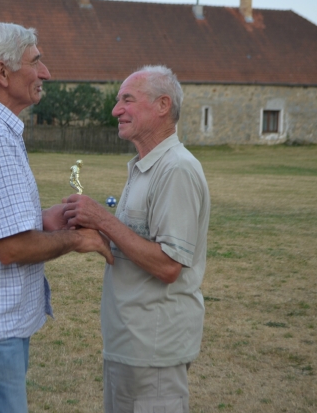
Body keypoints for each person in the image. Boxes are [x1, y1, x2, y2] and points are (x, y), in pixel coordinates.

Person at [0, 22, 113, 413]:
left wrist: (43, 218)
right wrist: (79, 239)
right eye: (35, 62)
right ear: (2, 72)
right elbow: (11, 247)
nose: (46, 73)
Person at [62, 65, 210, 413]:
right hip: (130, 344)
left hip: (154, 350)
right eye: (118, 101)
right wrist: (95, 233)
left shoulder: (176, 169)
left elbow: (169, 265)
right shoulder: (146, 167)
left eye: (127, 100)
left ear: (162, 105)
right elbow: (137, 245)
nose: (116, 110)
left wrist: (103, 220)